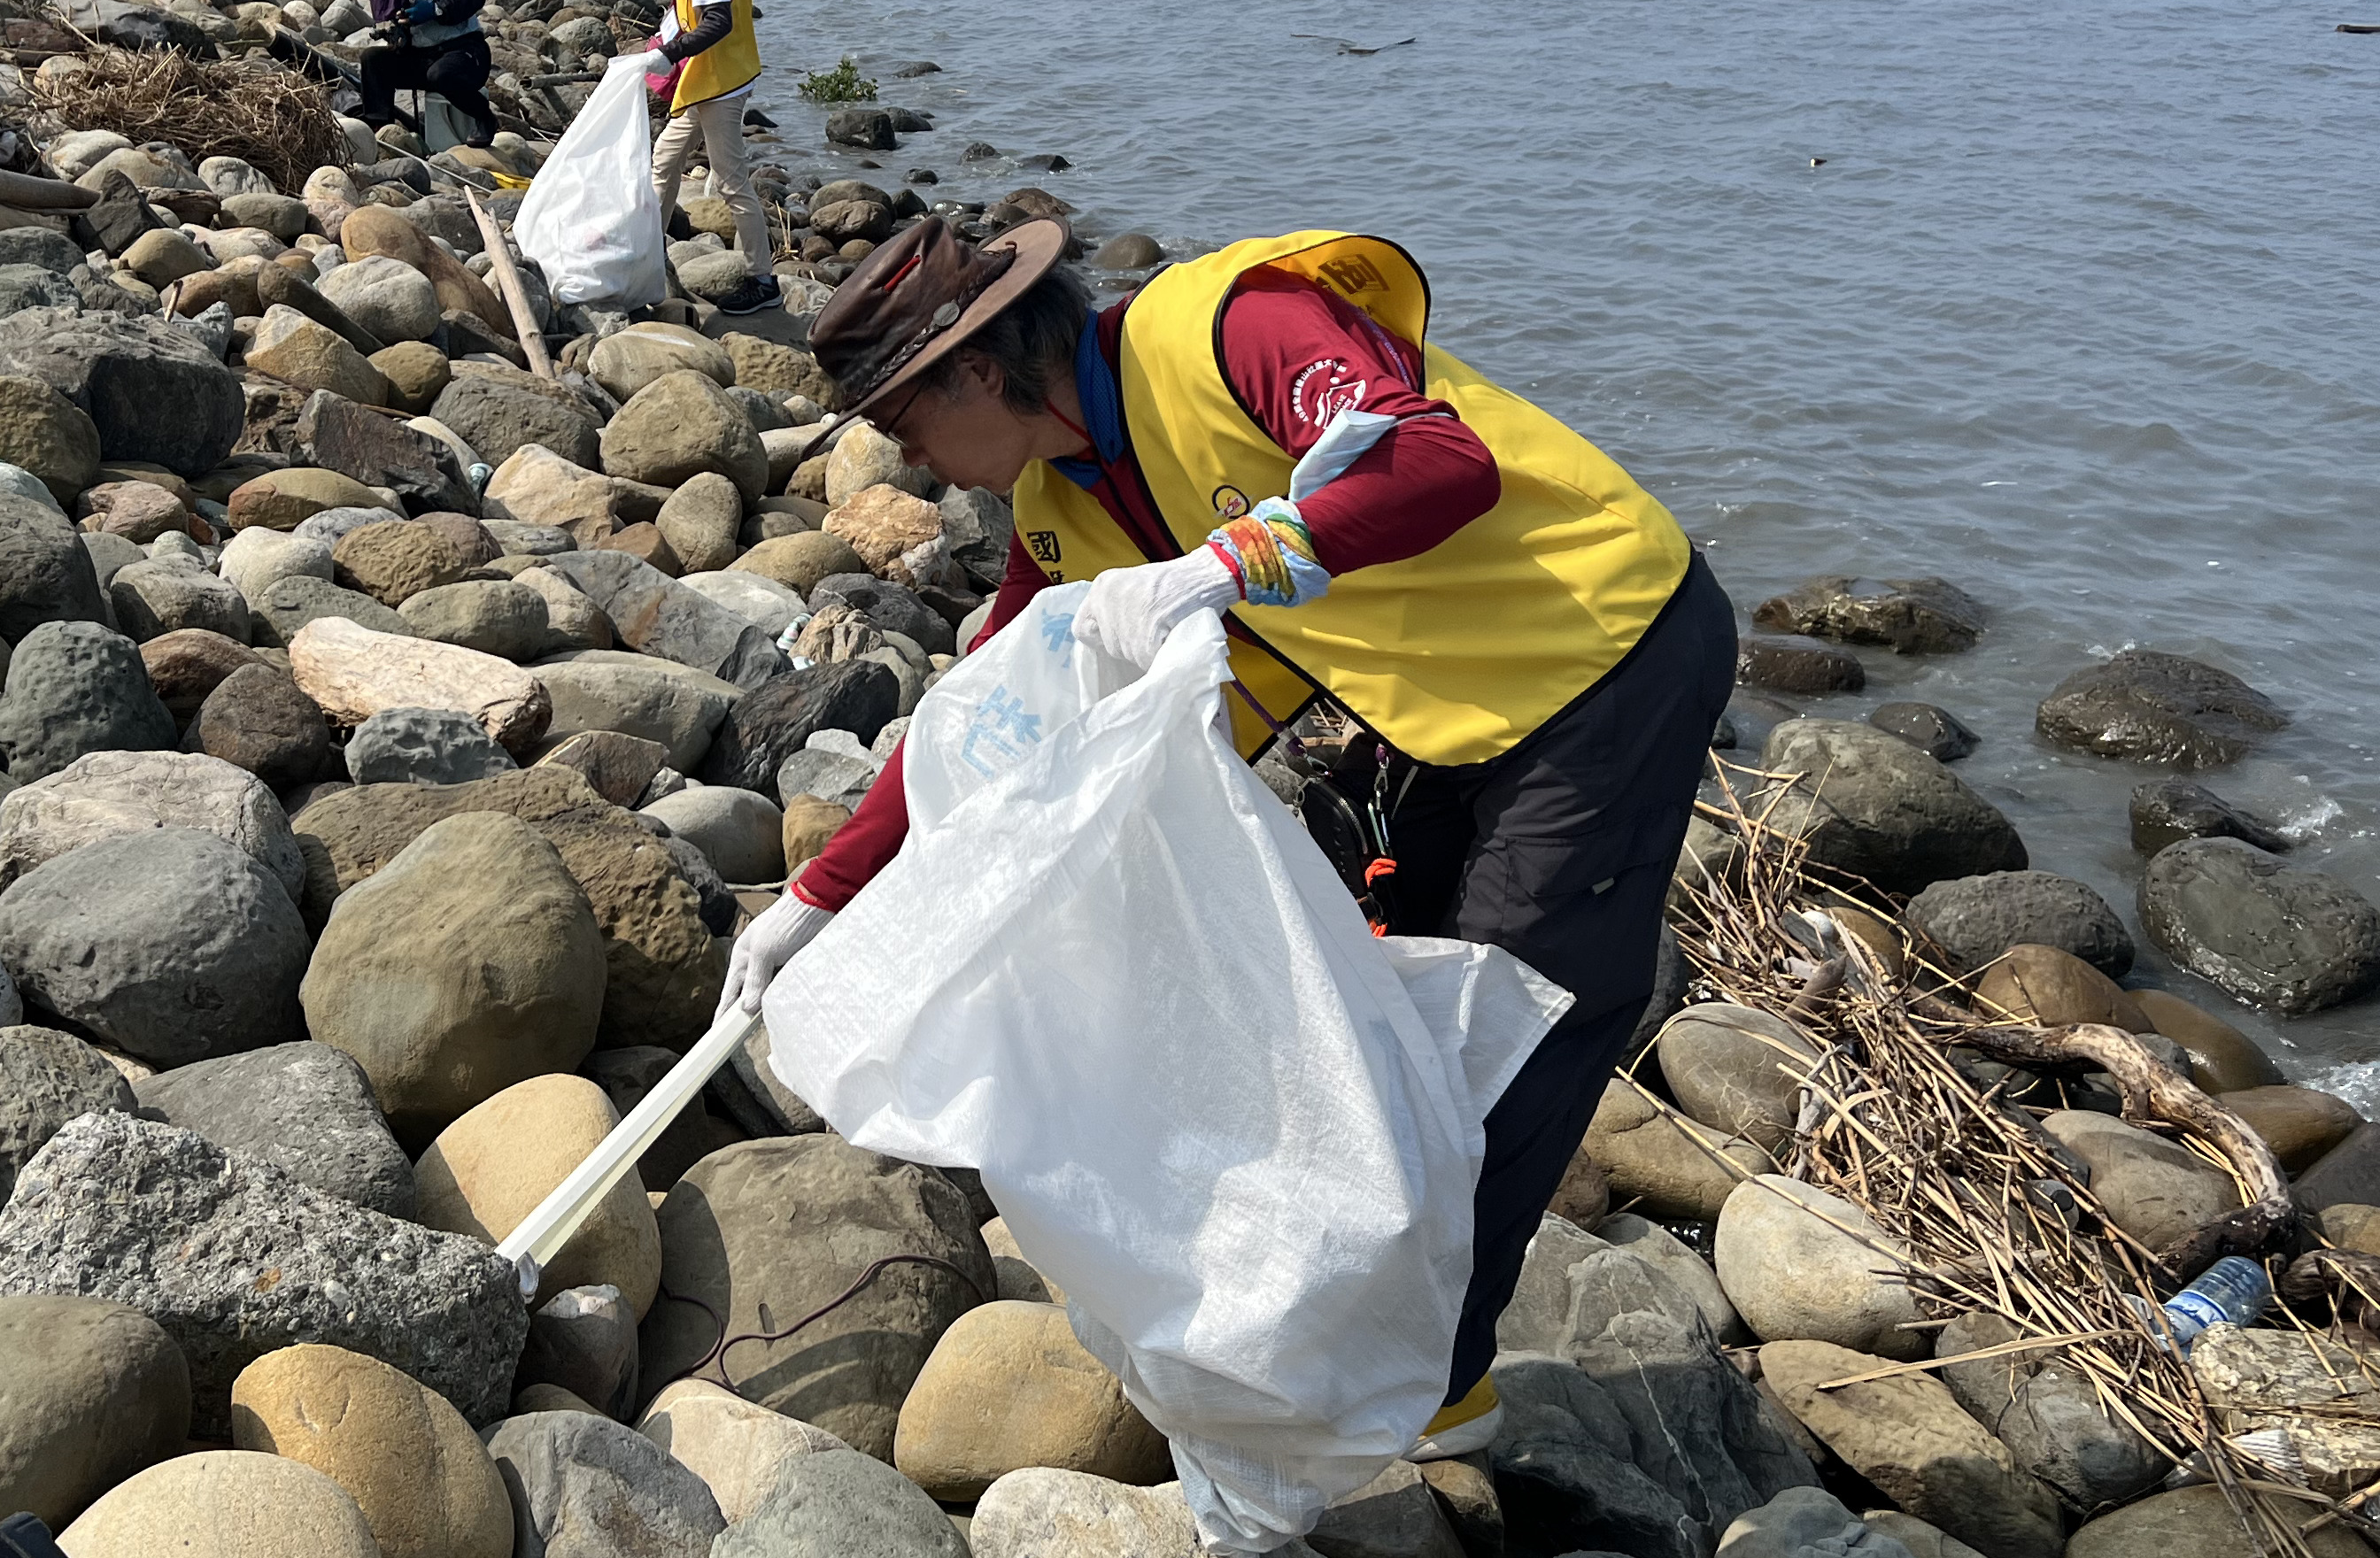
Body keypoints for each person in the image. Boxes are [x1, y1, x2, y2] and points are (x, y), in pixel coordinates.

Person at [728, 218, 1731, 1455]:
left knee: (1515, 1012)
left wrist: (1230, 561)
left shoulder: (1226, 330)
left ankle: (1432, 1384)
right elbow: (990, 715)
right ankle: (1362, 1313)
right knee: (1384, 1008)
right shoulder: (1061, 509)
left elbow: (1435, 461)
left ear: (978, 371)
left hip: (1604, 642)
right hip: (1433, 701)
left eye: (908, 423)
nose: (917, 462)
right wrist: (818, 901)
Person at [630, 0, 771, 276]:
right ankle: (647, 254)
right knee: (665, 160)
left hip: (720, 84)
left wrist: (669, 53)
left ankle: (761, 278)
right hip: (705, 78)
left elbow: (717, 21)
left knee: (731, 183)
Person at [346, 0, 491, 138]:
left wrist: (435, 10)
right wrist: (395, 34)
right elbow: (389, 25)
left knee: (440, 74)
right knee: (372, 59)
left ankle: (485, 117)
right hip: (425, 57)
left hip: (466, 53)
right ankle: (380, 127)